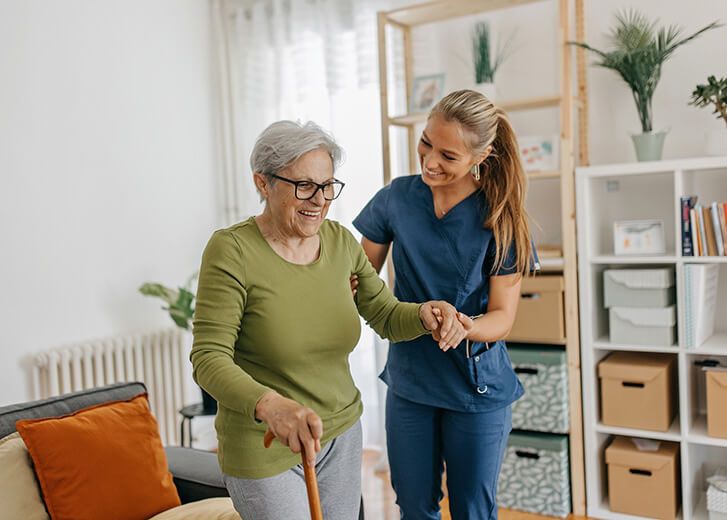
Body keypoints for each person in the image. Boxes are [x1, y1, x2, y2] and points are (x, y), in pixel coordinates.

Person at [190, 120, 468, 520]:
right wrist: (270, 406)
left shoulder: (339, 242)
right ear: (263, 183)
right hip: (264, 441)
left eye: (327, 186)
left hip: (340, 432)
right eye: (304, 185)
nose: (319, 200)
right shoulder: (232, 250)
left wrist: (425, 314)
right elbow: (208, 357)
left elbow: (385, 315)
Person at [352, 89, 539, 520]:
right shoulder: (396, 199)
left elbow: (502, 317)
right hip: (411, 382)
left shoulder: (502, 217)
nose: (430, 161)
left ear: (481, 156)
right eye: (426, 144)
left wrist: (464, 326)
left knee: (473, 511)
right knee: (414, 508)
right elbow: (359, 280)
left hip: (476, 387)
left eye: (448, 155)